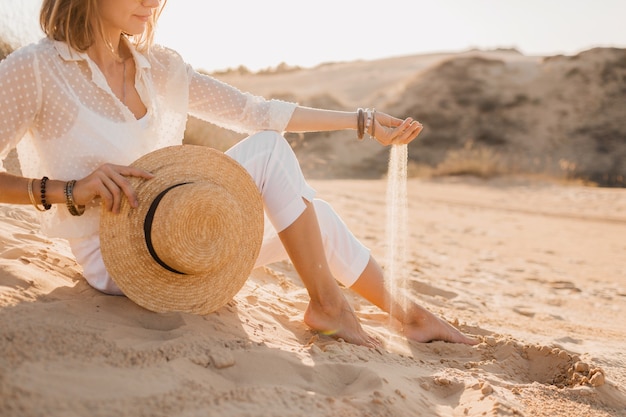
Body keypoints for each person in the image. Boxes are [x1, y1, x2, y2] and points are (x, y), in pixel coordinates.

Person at [0, 0, 476, 347]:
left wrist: (364, 122)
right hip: (116, 258)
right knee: (270, 155)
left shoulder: (158, 66)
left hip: (186, 239)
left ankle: (409, 315)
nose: (152, 2)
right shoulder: (37, 68)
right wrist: (66, 190)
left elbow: (256, 111)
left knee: (315, 216)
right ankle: (330, 307)